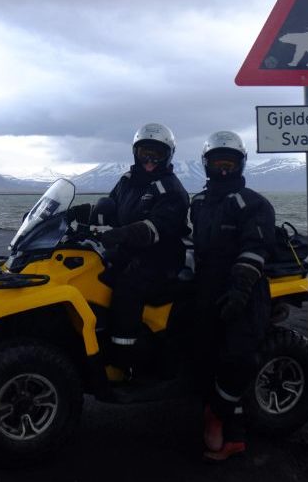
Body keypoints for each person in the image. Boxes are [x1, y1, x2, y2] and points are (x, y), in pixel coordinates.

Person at [190, 130, 275, 461]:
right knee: (203, 356)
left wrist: (240, 289)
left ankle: (216, 415)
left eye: (230, 163)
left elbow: (255, 248)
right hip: (204, 288)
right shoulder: (197, 203)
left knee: (238, 357)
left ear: (241, 165)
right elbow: (189, 243)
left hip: (245, 290)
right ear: (206, 165)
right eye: (217, 163)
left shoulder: (254, 203)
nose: (223, 170)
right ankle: (234, 434)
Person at [94, 123, 190, 370]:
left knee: (128, 284)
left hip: (161, 256)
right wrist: (76, 219)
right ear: (135, 152)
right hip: (129, 249)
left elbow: (154, 228)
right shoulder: (127, 181)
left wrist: (120, 234)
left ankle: (125, 356)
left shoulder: (172, 189)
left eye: (156, 153)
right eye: (145, 152)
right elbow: (110, 205)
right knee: (95, 270)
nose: (149, 159)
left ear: (167, 155)